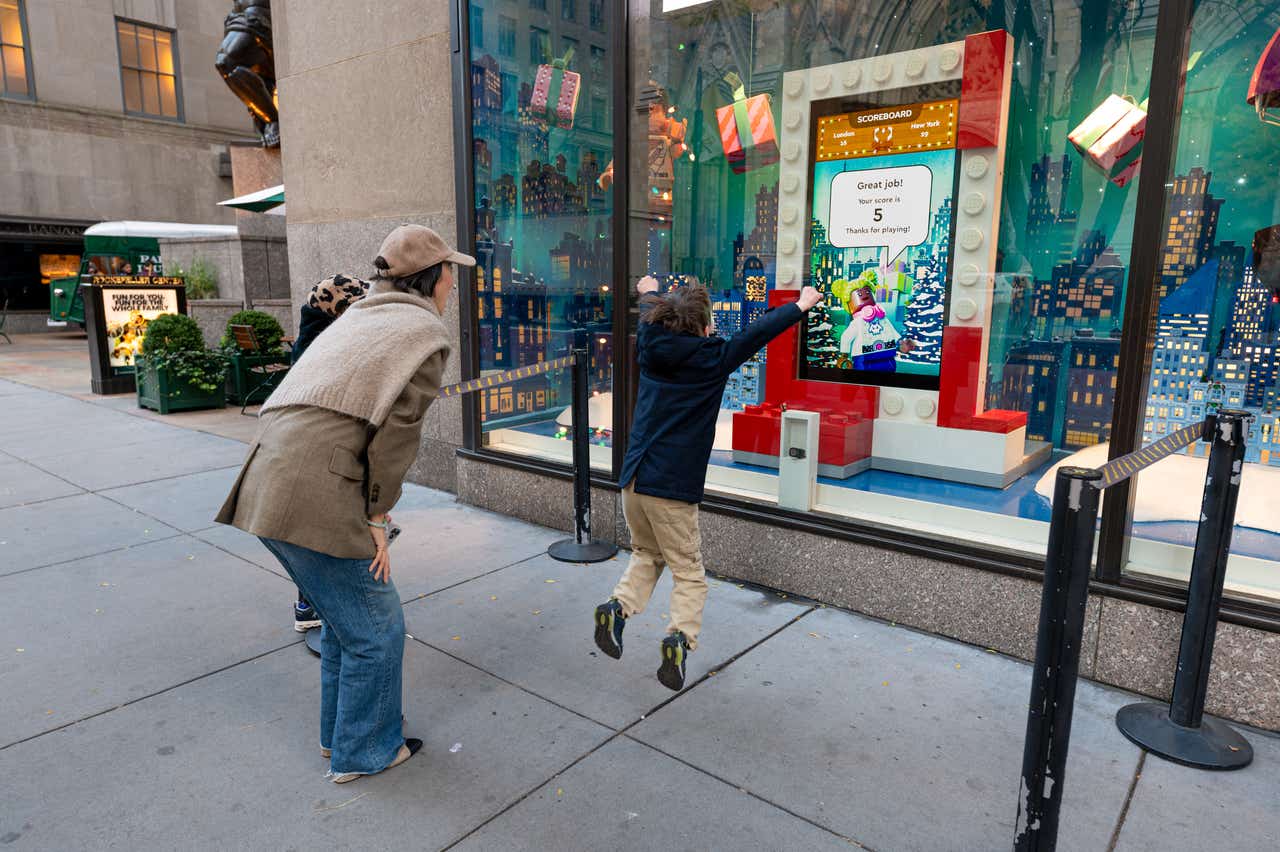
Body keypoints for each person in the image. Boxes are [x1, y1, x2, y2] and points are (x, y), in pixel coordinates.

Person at [216, 224, 474, 782]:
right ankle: (367, 751)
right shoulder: (423, 333)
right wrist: (377, 517)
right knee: (378, 629)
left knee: (343, 623)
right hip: (314, 492)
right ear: (432, 279)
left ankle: (340, 738)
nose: (452, 285)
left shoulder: (361, 316)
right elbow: (397, 437)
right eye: (450, 274)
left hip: (268, 475)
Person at [594, 276, 822, 690]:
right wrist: (801, 305)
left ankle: (616, 609)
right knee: (689, 573)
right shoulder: (711, 358)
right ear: (701, 326)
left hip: (634, 479)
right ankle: (679, 639)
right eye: (710, 321)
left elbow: (647, 311)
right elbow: (757, 333)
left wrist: (648, 290)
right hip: (671, 486)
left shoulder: (649, 340)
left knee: (648, 552)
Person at [286, 273, 372, 633]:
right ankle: (312, 606)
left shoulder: (313, 340)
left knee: (313, 536)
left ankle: (310, 604)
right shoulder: (325, 347)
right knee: (320, 536)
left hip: (305, 452)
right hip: (316, 455)